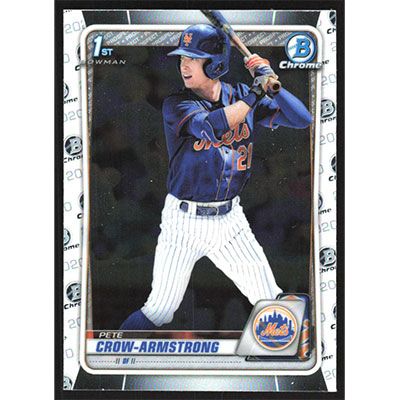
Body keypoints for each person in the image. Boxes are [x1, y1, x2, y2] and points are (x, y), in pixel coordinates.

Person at [120, 24, 312, 330]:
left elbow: (302, 119)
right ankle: (117, 352)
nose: (184, 65)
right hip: (184, 221)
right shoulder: (177, 103)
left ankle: (295, 354)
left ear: (216, 64)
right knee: (159, 310)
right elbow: (213, 126)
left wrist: (273, 83)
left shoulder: (241, 94)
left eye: (194, 58)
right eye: (183, 58)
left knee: (272, 300)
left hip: (230, 221)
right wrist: (256, 93)